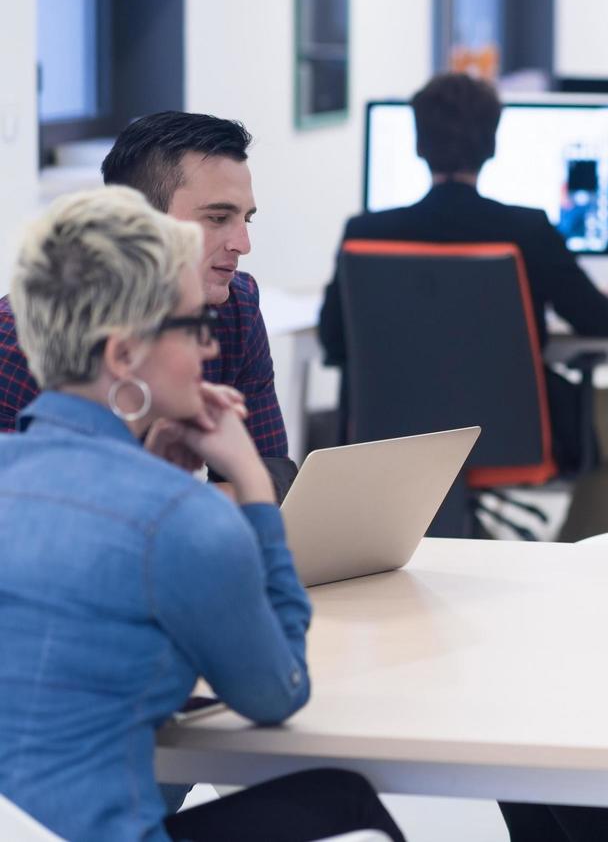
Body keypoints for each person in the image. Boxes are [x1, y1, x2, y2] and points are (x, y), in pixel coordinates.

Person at [0, 188, 404, 842]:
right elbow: (279, 691)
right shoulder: (181, 518)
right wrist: (251, 485)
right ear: (122, 355)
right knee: (344, 798)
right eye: (192, 329)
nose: (211, 351)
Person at [318, 71, 608, 543]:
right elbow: (596, 318)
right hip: (510, 433)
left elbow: (333, 342)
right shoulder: (528, 229)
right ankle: (573, 556)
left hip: (391, 440)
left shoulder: (363, 232)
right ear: (492, 144)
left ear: (418, 144)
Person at [0, 111, 295, 500]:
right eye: (218, 217)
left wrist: (170, 504)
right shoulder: (21, 337)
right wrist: (181, 503)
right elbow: (24, 510)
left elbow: (274, 477)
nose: (242, 243)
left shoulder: (235, 306)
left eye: (246, 219)